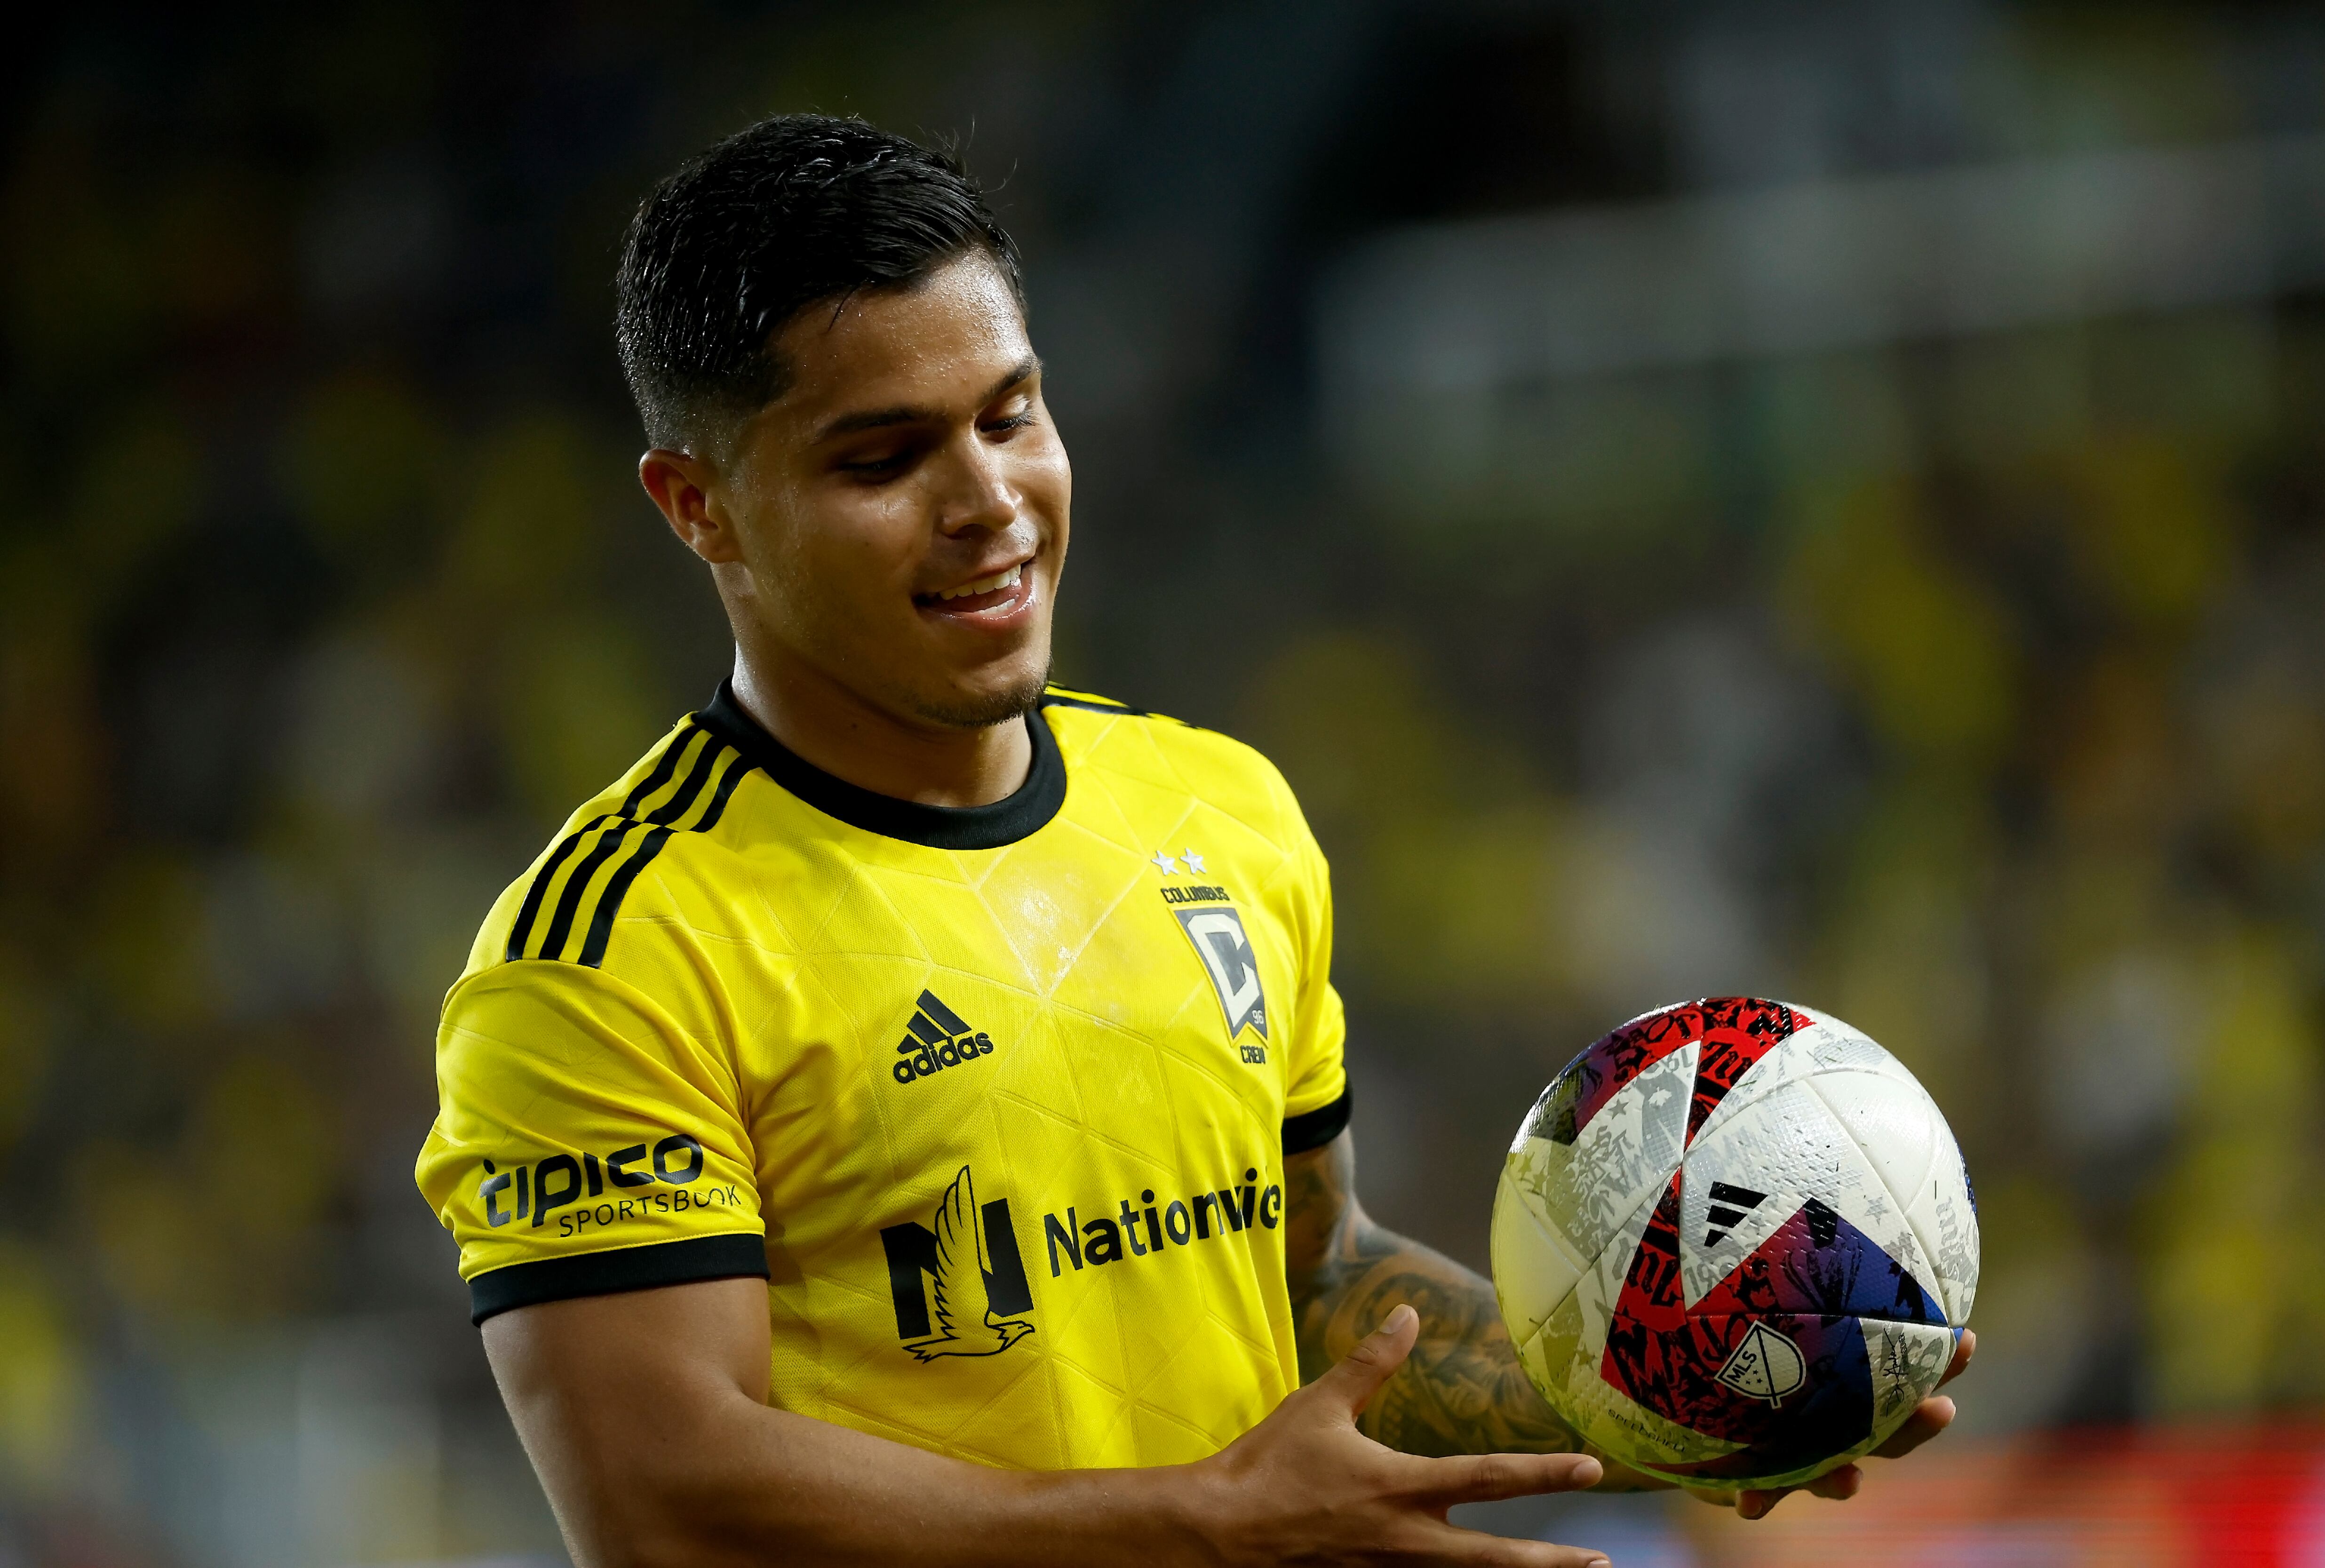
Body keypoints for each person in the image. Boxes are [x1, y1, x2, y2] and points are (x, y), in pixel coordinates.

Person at [414, 114, 1970, 1568]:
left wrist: (1676, 1403)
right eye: (883, 460)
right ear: (700, 508)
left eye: (1011, 415)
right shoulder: (610, 955)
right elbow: (662, 1494)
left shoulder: (1217, 807)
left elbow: (1316, 1280)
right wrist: (1203, 1520)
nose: (989, 503)